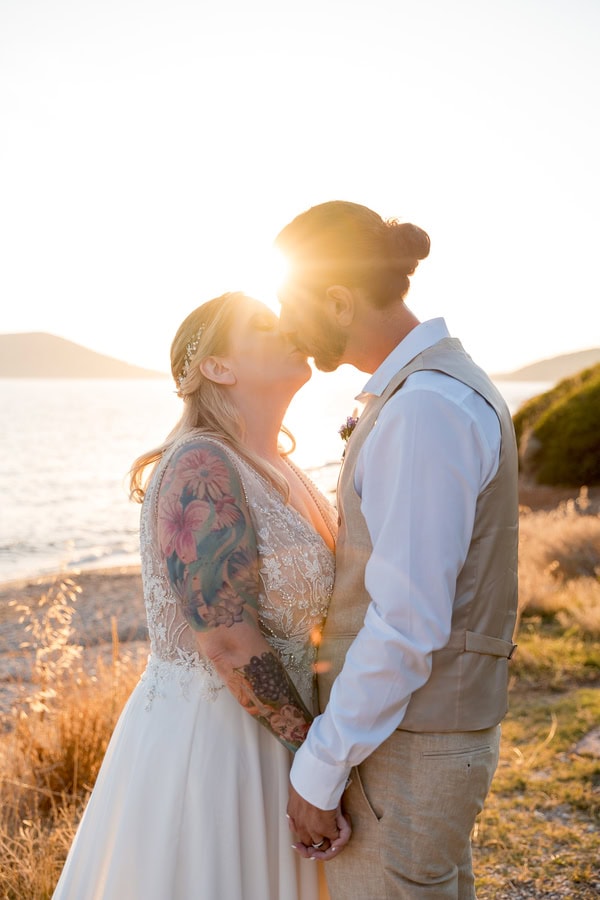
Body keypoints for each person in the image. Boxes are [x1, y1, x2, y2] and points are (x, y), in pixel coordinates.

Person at [52, 291, 350, 900]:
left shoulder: (287, 468)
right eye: (266, 325)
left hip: (284, 732)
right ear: (217, 366)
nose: (292, 325)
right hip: (219, 744)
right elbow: (224, 635)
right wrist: (314, 759)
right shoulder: (200, 465)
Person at [274, 201, 519, 899]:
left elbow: (407, 620)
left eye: (292, 305)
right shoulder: (429, 394)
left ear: (339, 299)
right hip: (420, 735)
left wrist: (320, 767)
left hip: (406, 745)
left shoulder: (423, 410)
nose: (290, 328)